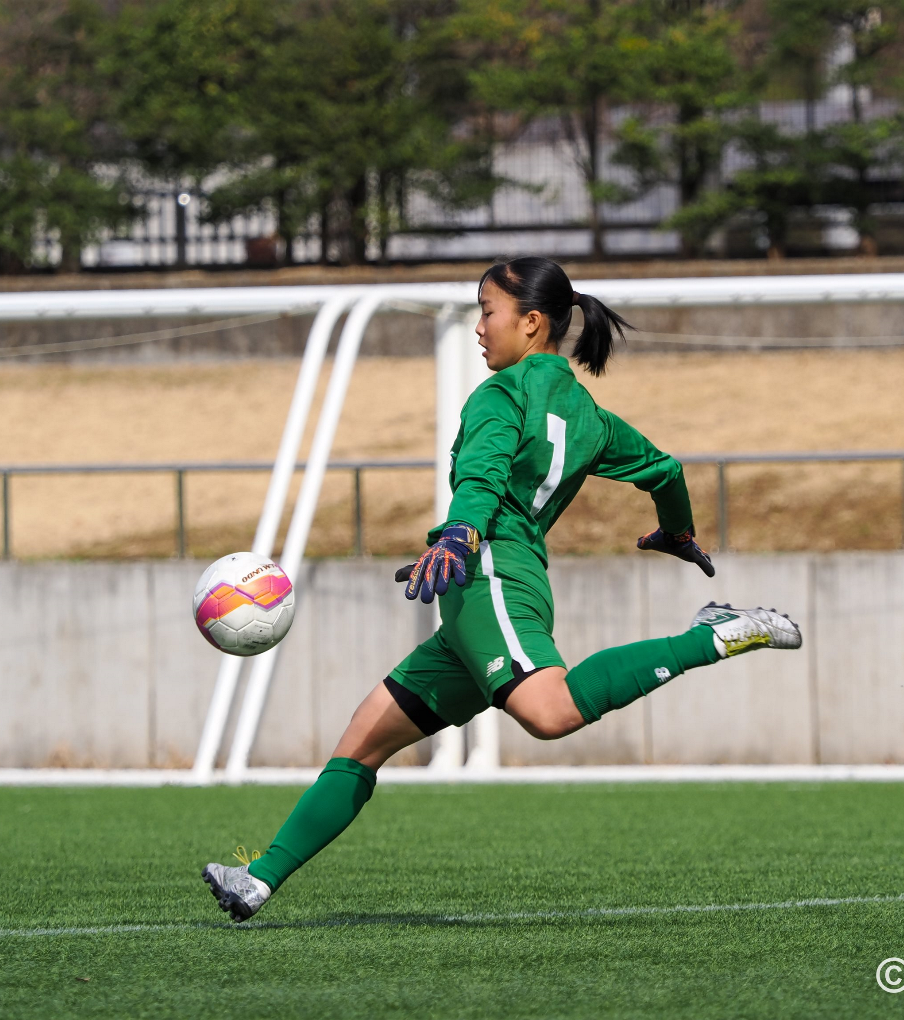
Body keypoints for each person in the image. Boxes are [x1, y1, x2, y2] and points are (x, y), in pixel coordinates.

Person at [204, 256, 801, 921]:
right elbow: (664, 470)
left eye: (488, 312)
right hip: (487, 589)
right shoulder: (587, 414)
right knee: (363, 743)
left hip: (488, 574)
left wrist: (460, 535)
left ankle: (709, 635)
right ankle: (257, 881)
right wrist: (677, 533)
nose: (480, 327)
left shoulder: (501, 394)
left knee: (550, 713)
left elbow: (483, 474)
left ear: (533, 322)